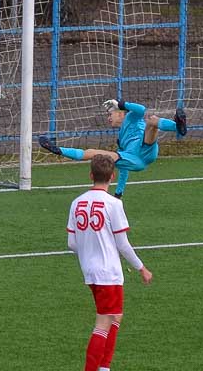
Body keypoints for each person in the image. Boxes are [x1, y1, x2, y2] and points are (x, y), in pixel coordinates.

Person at [67, 155, 153, 371]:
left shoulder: (76, 202)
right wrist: (141, 268)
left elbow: (72, 243)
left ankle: (105, 367)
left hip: (90, 271)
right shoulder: (114, 204)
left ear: (90, 175)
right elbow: (122, 244)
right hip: (108, 273)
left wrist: (90, 251)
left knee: (116, 316)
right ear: (112, 176)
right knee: (103, 323)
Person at [40, 99, 187, 198]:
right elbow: (123, 168)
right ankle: (58, 150)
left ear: (120, 112)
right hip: (135, 160)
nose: (108, 118)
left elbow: (141, 109)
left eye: (110, 114)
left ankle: (178, 127)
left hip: (146, 149)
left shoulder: (131, 117)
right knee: (94, 153)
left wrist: (121, 103)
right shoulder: (121, 139)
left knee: (152, 121)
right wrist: (118, 194)